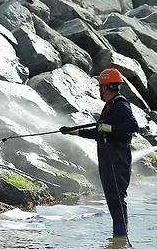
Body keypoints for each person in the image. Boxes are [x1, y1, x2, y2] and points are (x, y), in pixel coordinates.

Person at [59, 68, 139, 238]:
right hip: (109, 159)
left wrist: (110, 128)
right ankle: (119, 238)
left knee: (116, 199)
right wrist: (75, 132)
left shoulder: (120, 105)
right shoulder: (110, 106)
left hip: (117, 159)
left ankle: (120, 238)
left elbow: (133, 126)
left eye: (100, 87)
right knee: (112, 198)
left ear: (105, 87)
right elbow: (99, 132)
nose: (99, 91)